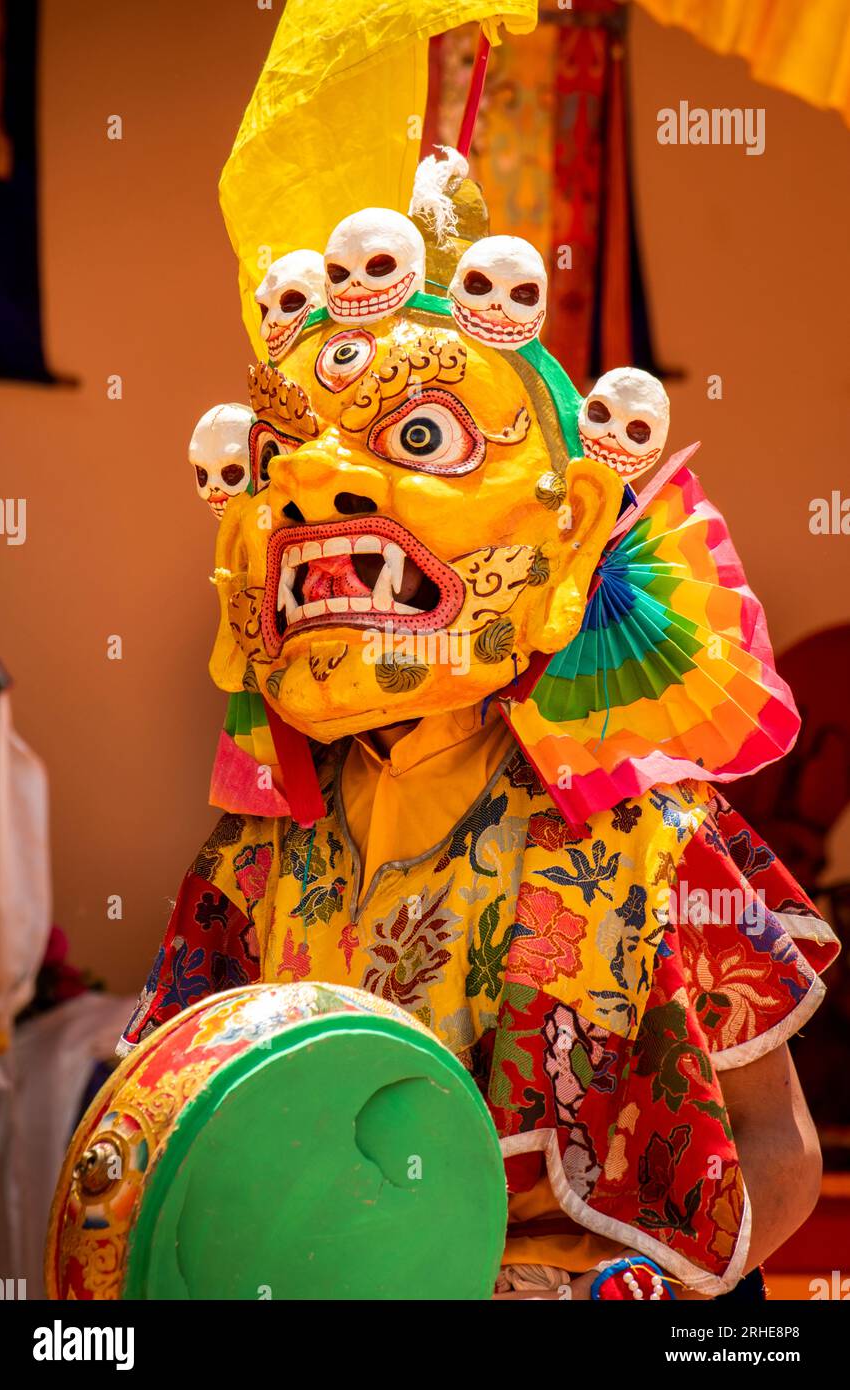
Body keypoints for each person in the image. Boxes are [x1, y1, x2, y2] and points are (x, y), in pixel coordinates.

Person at [119, 195, 837, 1301]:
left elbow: (778, 1148)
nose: (319, 479)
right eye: (278, 458)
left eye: (418, 438)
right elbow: (174, 1131)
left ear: (574, 523)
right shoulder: (252, 860)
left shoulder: (649, 843)